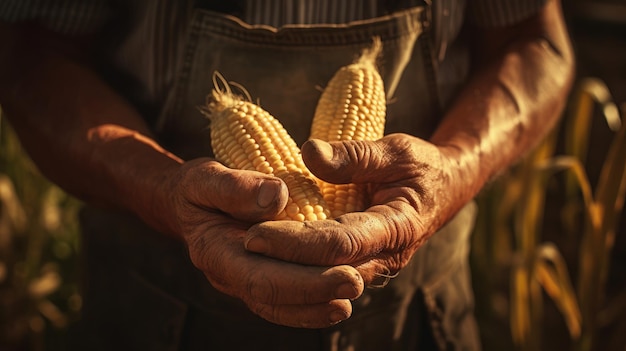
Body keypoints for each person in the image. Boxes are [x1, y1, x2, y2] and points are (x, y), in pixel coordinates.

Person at [0, 0, 574, 350]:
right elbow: (32, 56)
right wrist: (164, 187)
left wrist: (455, 167)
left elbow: (537, 41)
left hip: (416, 316)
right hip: (155, 306)